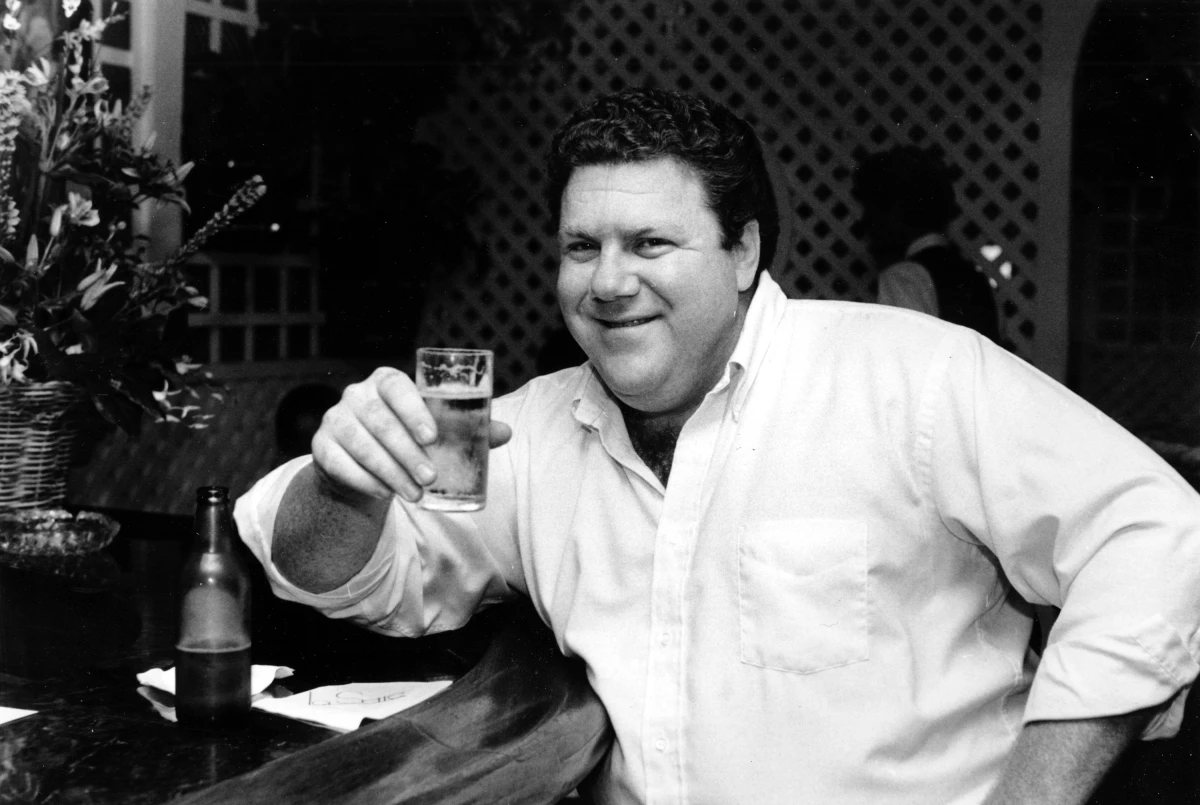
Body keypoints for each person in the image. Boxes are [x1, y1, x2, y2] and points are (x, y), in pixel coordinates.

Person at [234, 88, 1200, 805]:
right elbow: (342, 579)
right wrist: (341, 482)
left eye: (651, 244)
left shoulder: (913, 377)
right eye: (582, 248)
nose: (608, 282)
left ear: (743, 253)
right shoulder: (523, 430)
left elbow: (1156, 532)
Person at [852, 145, 1002, 344]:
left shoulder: (904, 278)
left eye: (871, 210)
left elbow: (905, 359)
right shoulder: (977, 279)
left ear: (896, 212)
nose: (864, 221)